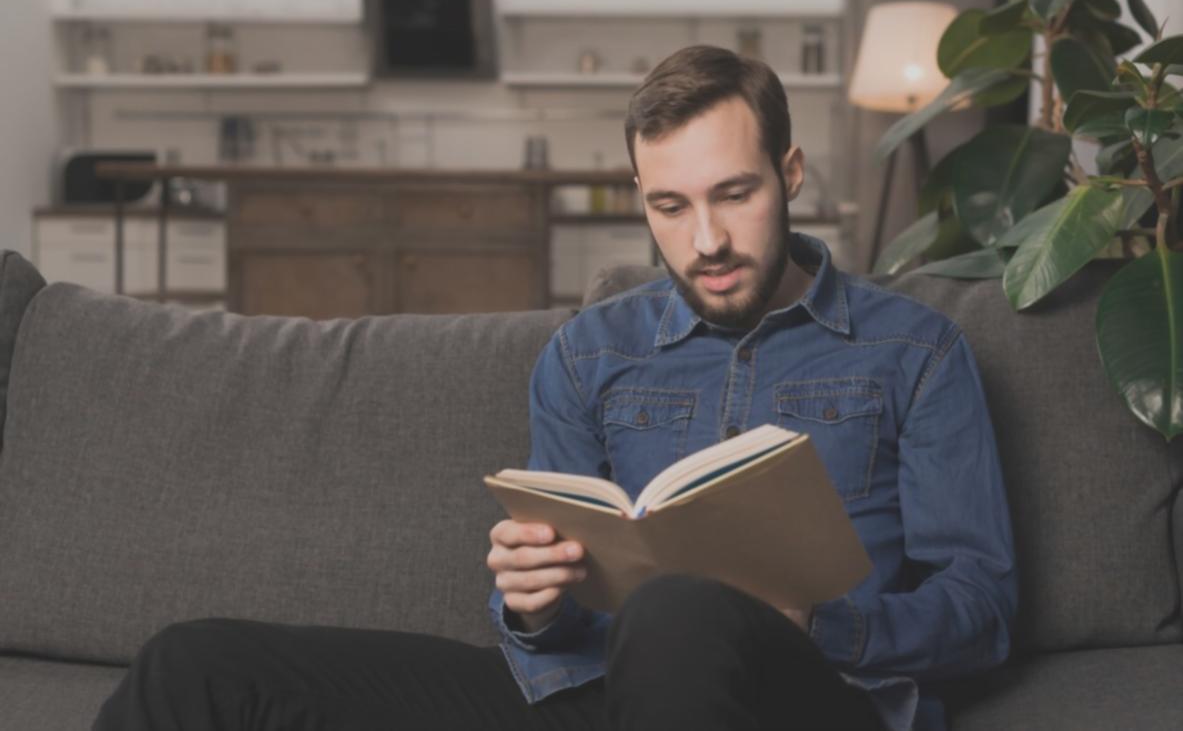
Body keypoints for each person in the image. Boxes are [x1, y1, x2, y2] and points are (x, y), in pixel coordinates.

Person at [93, 45, 1016, 731]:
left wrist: (820, 623)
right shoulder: (588, 353)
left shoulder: (914, 350)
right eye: (669, 206)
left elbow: (979, 608)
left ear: (790, 172)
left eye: (733, 194)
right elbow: (556, 609)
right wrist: (532, 602)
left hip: (812, 698)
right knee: (199, 663)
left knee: (680, 606)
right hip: (591, 699)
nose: (706, 241)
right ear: (640, 197)